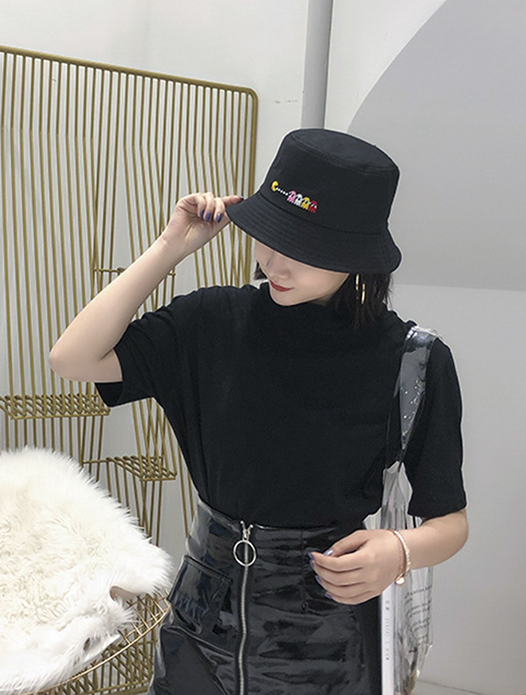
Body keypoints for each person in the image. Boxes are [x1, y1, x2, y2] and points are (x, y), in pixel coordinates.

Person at [50, 128, 468, 695]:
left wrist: (399, 551)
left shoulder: (413, 361)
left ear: (358, 257)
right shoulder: (212, 322)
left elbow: (450, 522)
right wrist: (171, 246)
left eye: (305, 249)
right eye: (269, 236)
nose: (276, 263)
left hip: (328, 642)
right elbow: (73, 358)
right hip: (198, 623)